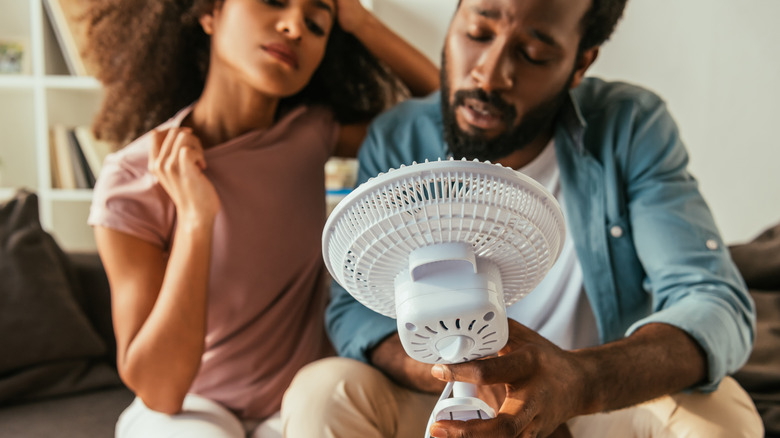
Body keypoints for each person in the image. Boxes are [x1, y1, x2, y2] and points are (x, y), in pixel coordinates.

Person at [281, 0, 764, 437]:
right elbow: (353, 310)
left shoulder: (630, 126)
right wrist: (463, 376)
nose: (489, 76)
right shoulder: (400, 140)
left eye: (533, 53)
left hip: (592, 402)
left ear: (581, 62)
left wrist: (580, 382)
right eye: (477, 33)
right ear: (452, 22)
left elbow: (712, 300)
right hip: (445, 396)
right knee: (322, 392)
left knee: (723, 419)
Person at [83, 0, 438, 437]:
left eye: (316, 23)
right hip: (189, 408)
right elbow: (161, 391)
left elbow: (441, 117)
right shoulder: (132, 179)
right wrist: (196, 219)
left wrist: (360, 22)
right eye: (273, 1)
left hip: (301, 402)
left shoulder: (311, 134)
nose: (294, 28)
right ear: (210, 13)